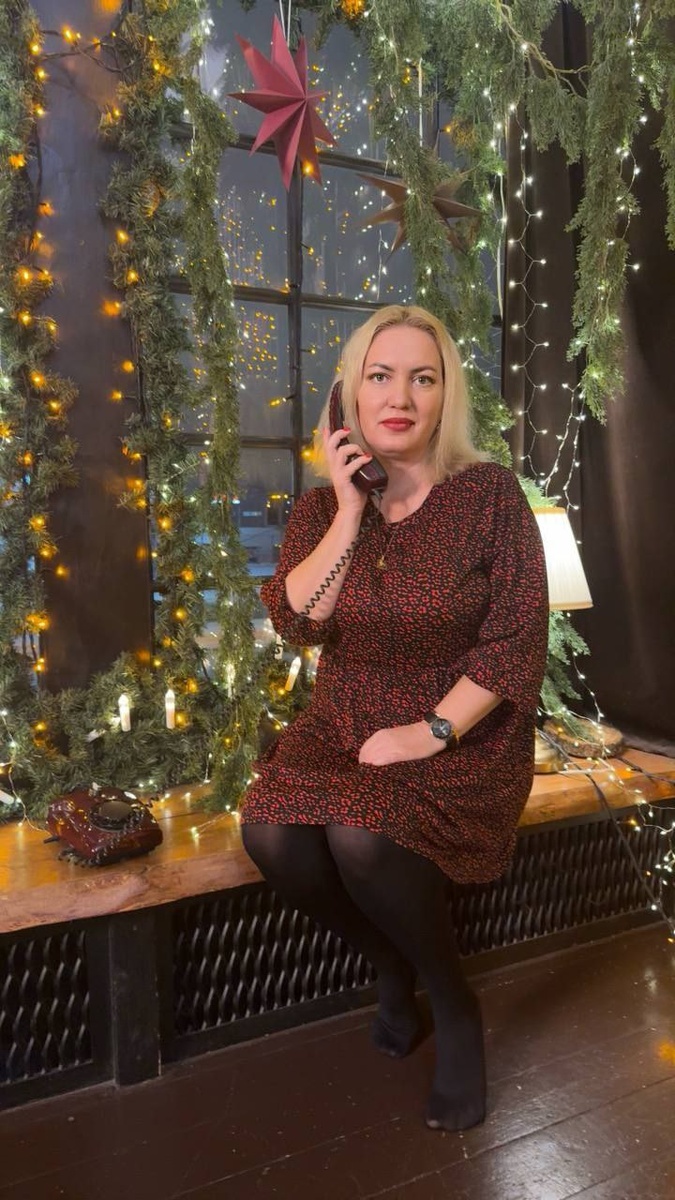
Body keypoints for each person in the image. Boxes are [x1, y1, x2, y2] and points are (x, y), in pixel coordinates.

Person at [240, 304, 549, 1132]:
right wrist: (350, 508)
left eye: (422, 377)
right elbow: (298, 622)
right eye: (379, 376)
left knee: (360, 835)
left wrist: (428, 732)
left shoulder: (486, 495)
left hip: (459, 731)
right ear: (348, 394)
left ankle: (451, 1002)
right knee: (270, 832)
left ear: (446, 394)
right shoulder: (322, 510)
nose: (399, 397)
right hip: (343, 720)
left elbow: (516, 637)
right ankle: (389, 963)